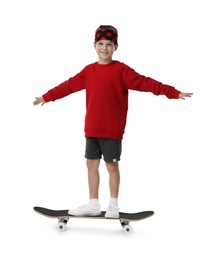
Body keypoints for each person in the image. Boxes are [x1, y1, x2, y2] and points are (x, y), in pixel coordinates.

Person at [33, 25, 193, 218]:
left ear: (116, 47)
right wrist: (46, 97)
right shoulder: (89, 71)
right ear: (94, 45)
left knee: (111, 166)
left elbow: (147, 83)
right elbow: (68, 86)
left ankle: (113, 206)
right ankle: (93, 204)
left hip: (112, 130)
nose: (104, 48)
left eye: (109, 44)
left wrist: (173, 92)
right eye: (100, 43)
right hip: (91, 128)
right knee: (91, 164)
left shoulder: (121, 70)